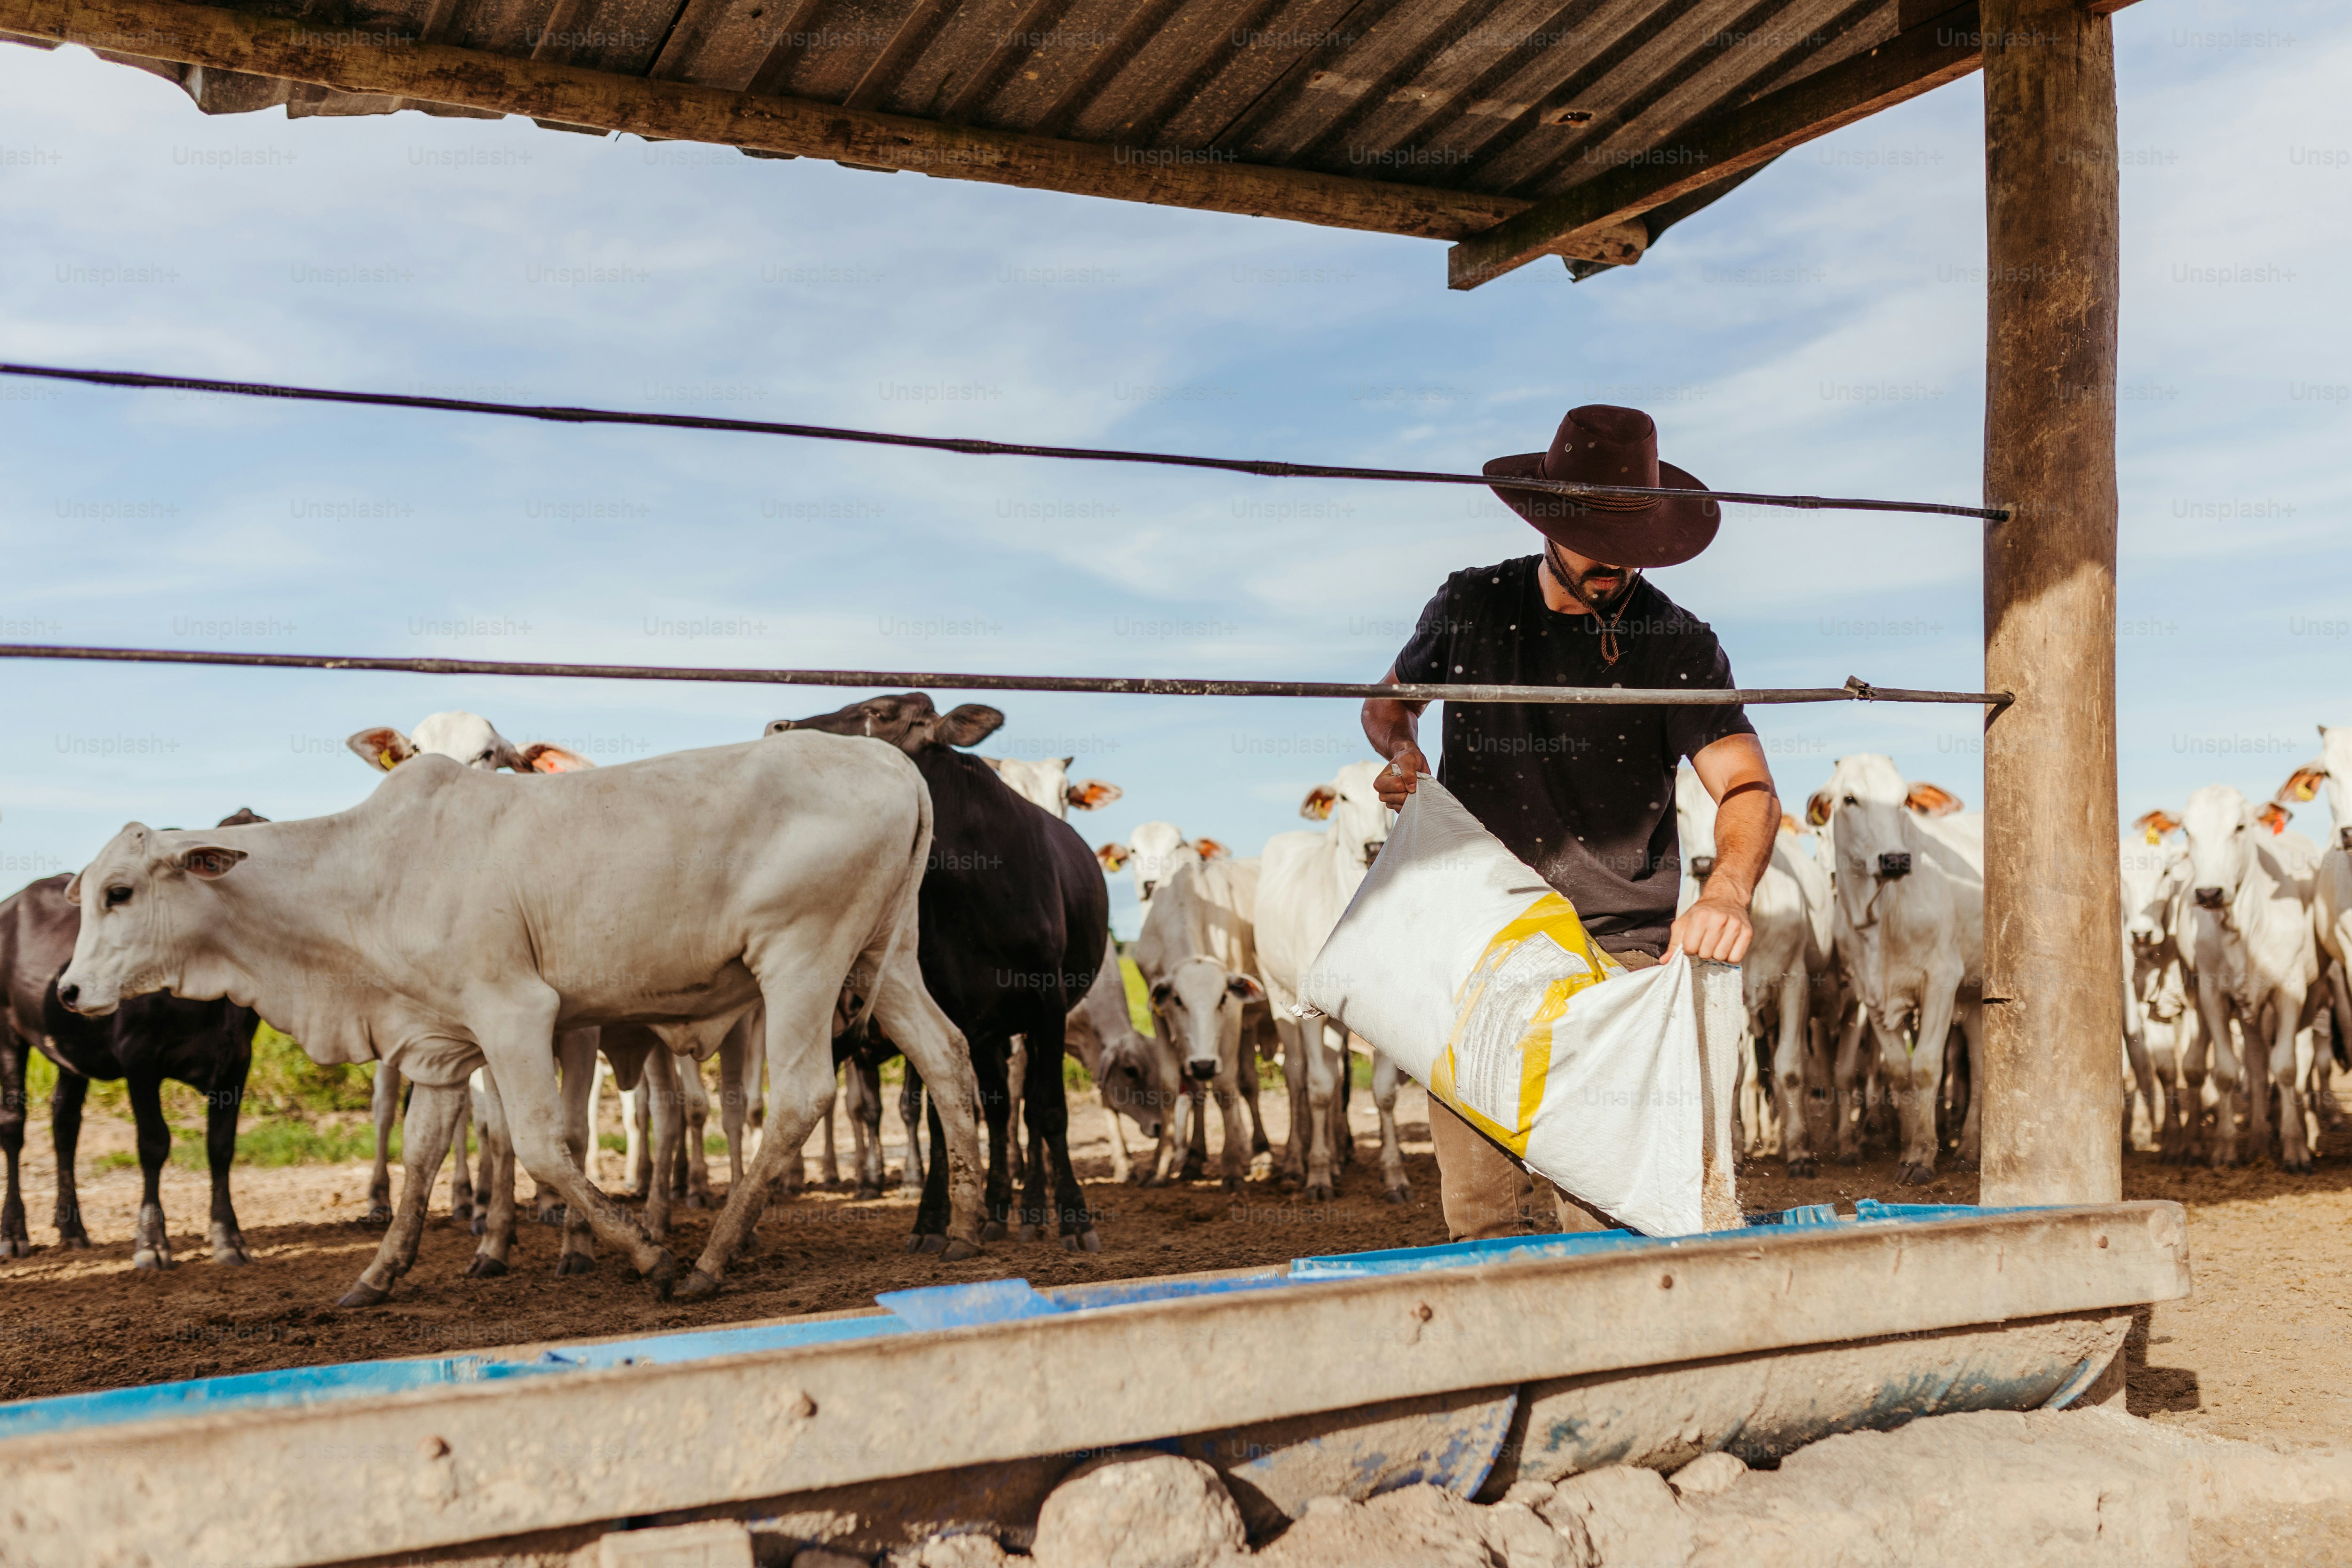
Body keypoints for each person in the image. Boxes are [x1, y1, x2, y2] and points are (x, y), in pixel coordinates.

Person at [1359, 404, 1779, 1242]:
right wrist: (1404, 752)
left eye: (1635, 539)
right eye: (1594, 534)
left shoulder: (1679, 644)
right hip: (1476, 947)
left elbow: (1748, 788)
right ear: (1547, 522)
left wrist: (1728, 890)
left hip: (1617, 956)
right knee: (1479, 1217)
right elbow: (1386, 704)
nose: (1615, 560)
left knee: (1608, 1215)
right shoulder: (1472, 606)